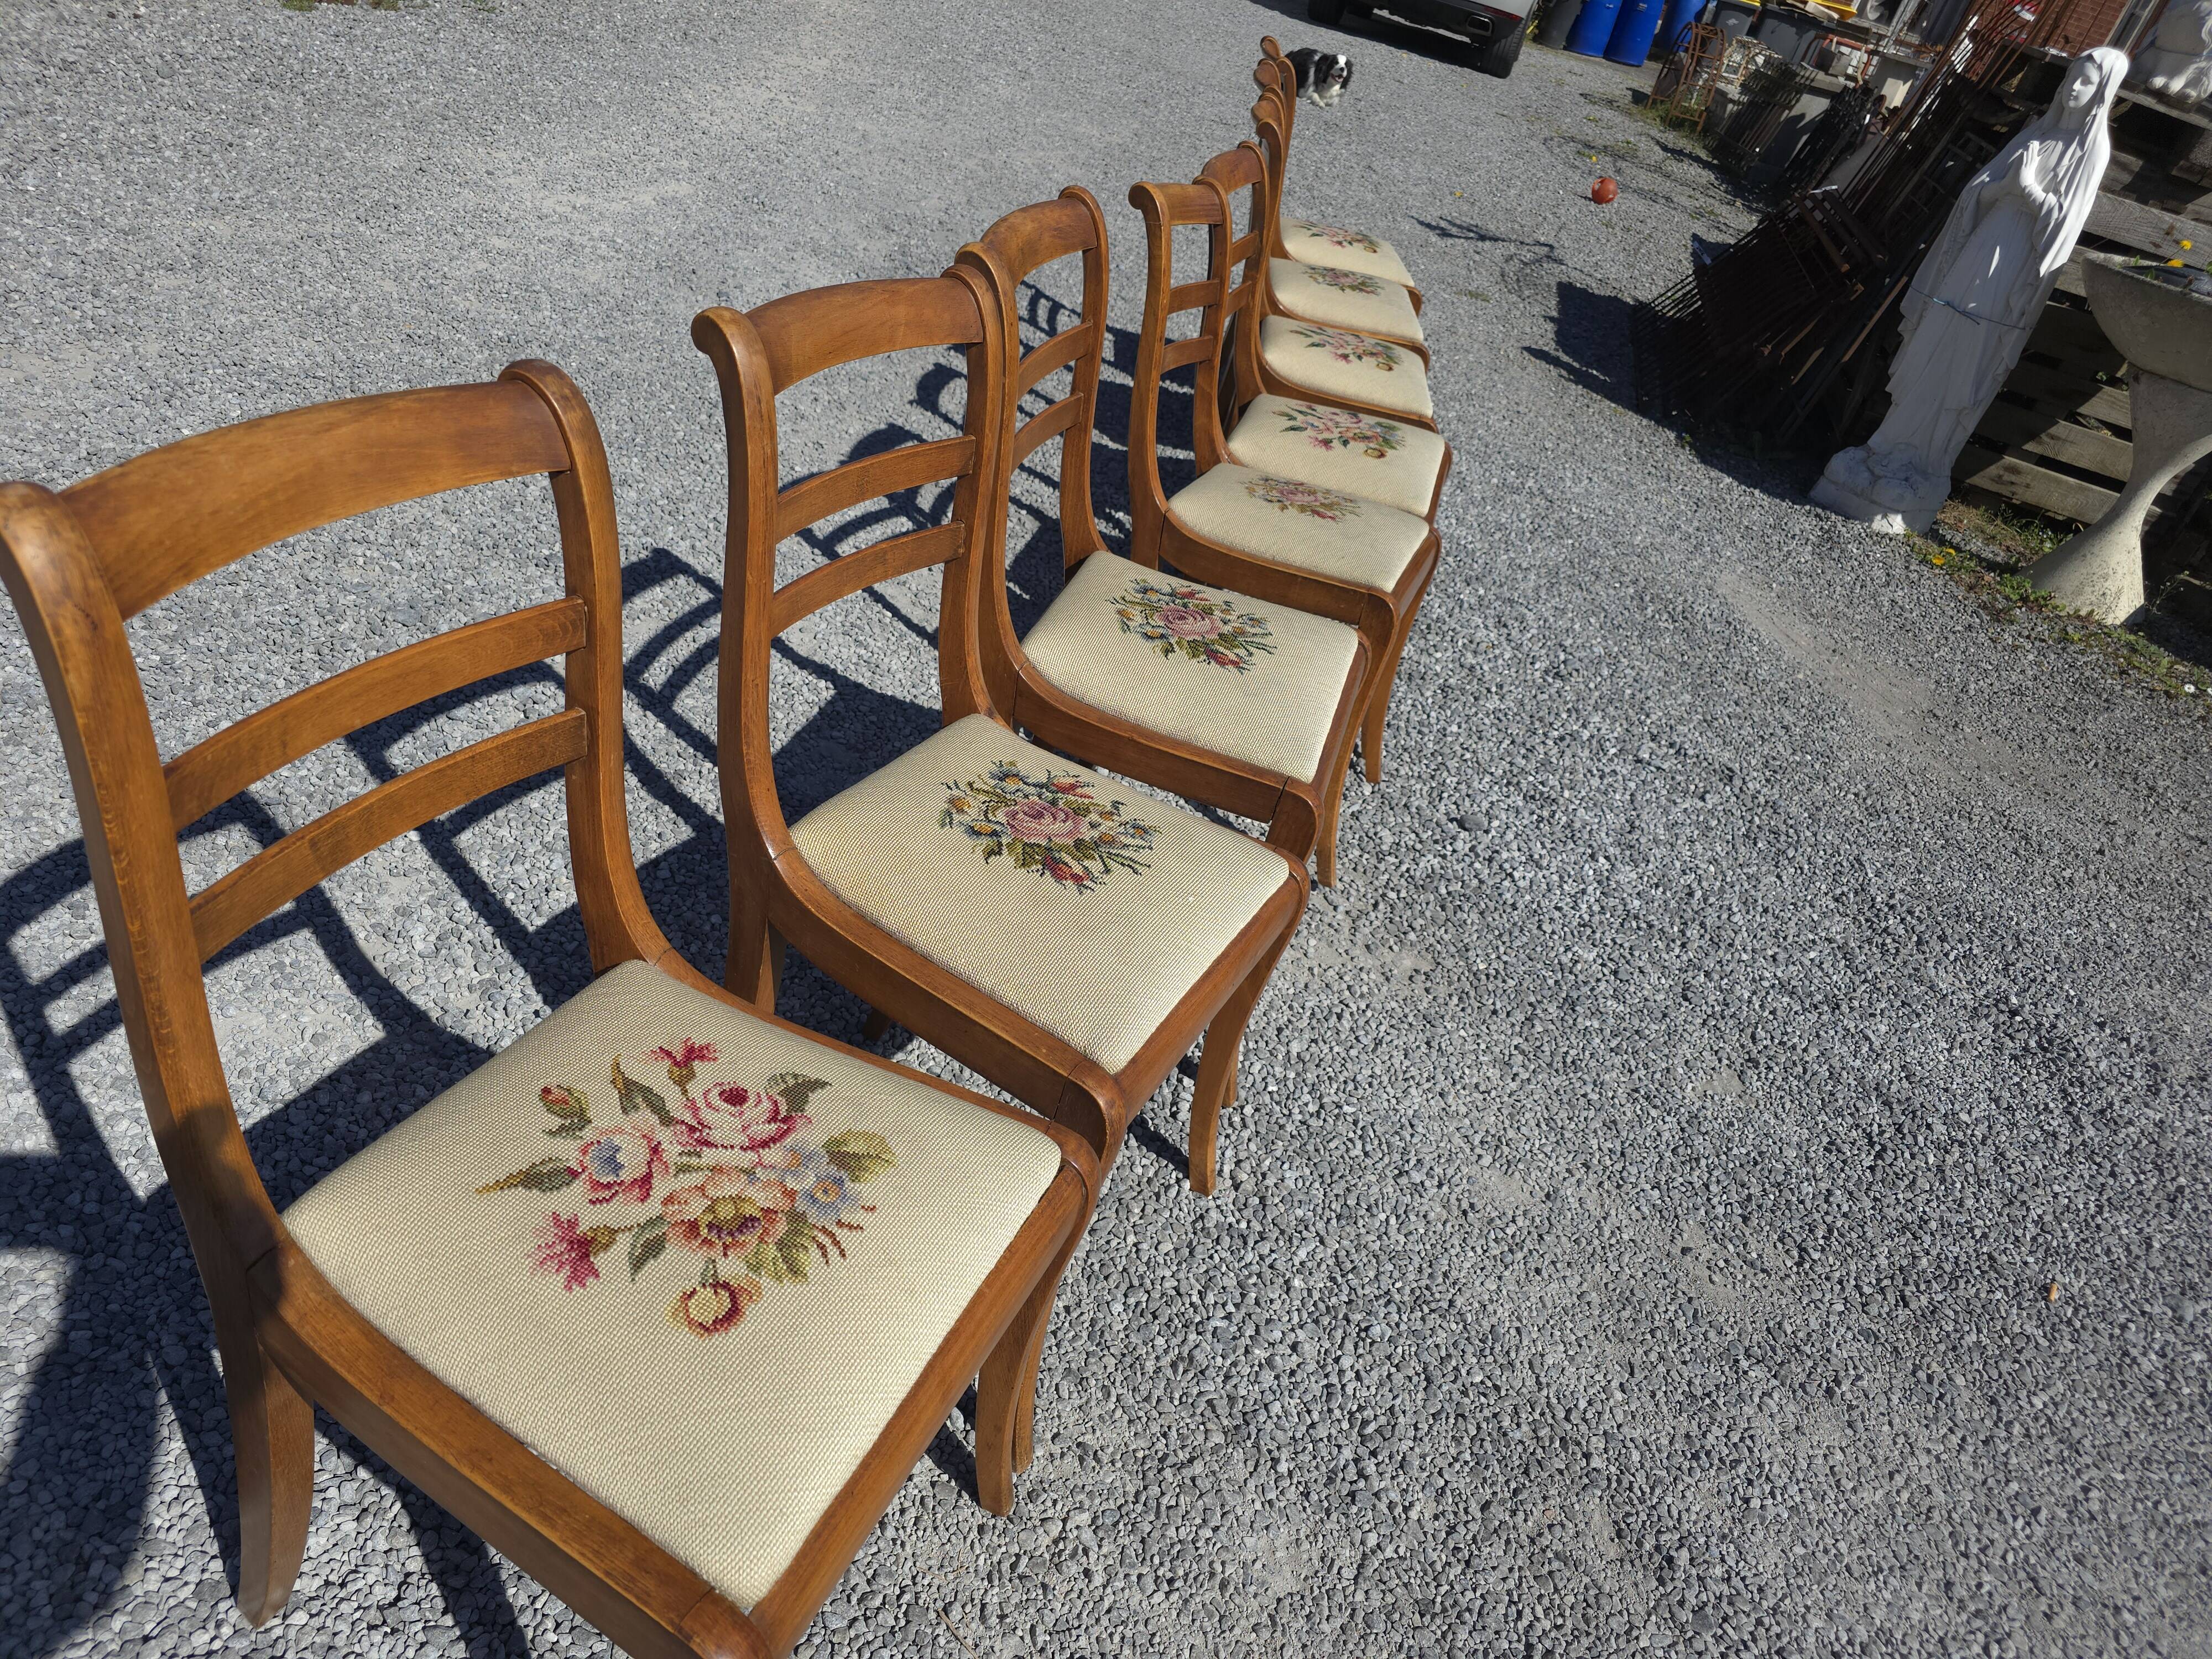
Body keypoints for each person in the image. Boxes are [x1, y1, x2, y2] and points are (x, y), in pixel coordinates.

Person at [1813, 47, 2130, 534]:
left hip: (2009, 273)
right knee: (1933, 338)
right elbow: (1978, 190)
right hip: (1978, 250)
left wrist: (2028, 195)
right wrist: (2000, 192)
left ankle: (1922, 463)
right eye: (2070, 77)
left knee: (1964, 355)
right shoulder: (2037, 133)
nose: (2072, 89)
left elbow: (2063, 231)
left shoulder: (2091, 151)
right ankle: (1885, 445)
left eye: (2085, 83)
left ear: (2102, 93)